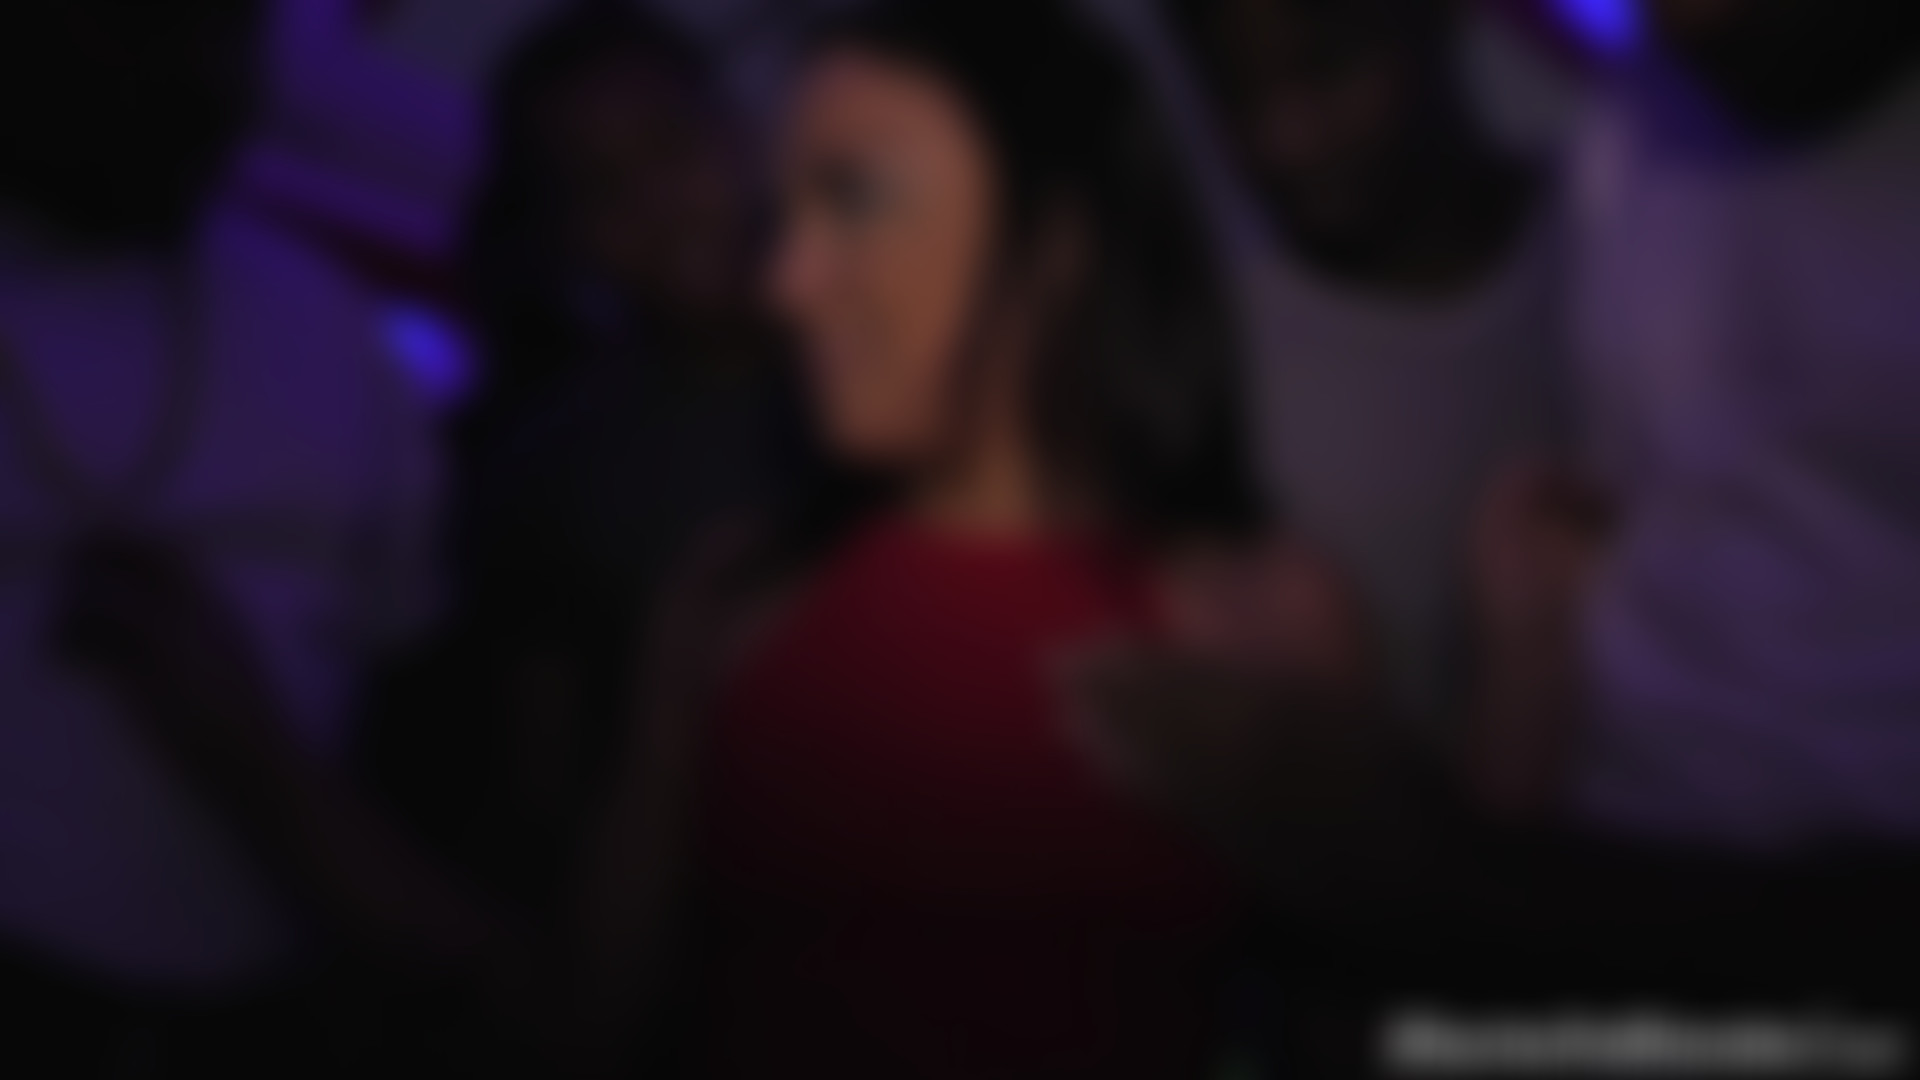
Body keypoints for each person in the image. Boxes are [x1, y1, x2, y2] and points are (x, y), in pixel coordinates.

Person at [562, 2, 1369, 1076]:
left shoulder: (1263, 619)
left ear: (1054, 242)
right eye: (787, 215)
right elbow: (590, 1018)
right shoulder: (737, 603)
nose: (786, 280)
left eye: (855, 202)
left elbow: (1349, 1026)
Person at [0, 4, 536, 1075]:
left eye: (218, 32)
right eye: (124, 28)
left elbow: (404, 675)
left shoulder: (320, 317)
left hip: (277, 1003)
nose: (182, 65)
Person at [363, 0, 810, 922]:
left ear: (738, 136)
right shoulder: (554, 466)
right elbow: (545, 791)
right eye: (601, 188)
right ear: (564, 236)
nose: (657, 203)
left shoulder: (886, 336)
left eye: (672, 146)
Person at [1164, 0, 1566, 742]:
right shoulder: (1217, 357)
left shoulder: (1612, 240)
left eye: (1330, 66)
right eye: (1236, 93)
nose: (1287, 138)